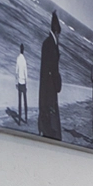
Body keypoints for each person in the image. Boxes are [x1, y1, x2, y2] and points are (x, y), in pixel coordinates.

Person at [38, 12, 62, 140]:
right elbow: (54, 70)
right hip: (51, 89)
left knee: (45, 114)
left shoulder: (45, 43)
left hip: (44, 87)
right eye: (59, 35)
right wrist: (58, 85)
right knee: (52, 124)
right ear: (56, 32)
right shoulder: (53, 46)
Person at [15, 44, 28, 124]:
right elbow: (26, 72)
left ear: (20, 49)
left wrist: (16, 82)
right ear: (24, 50)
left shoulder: (18, 58)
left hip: (19, 82)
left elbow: (16, 71)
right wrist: (26, 83)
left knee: (19, 102)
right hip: (23, 82)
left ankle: (19, 120)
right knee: (25, 101)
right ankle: (26, 118)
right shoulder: (24, 60)